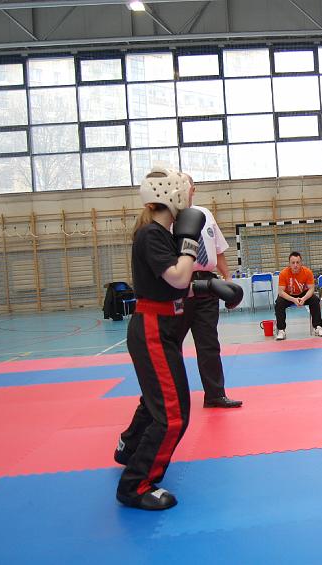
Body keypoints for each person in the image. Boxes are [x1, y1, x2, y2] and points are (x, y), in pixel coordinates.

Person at [113, 167, 243, 511]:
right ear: (172, 195)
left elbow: (177, 286)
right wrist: (188, 246)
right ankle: (135, 485)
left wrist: (211, 286)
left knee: (157, 401)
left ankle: (129, 448)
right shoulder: (151, 235)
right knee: (172, 415)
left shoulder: (159, 233)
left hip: (162, 326)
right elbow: (177, 277)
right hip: (153, 329)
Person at [177, 175, 242, 409]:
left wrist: (228, 279)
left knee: (209, 343)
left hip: (208, 284)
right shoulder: (170, 217)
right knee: (172, 343)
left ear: (193, 189)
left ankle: (215, 394)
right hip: (180, 285)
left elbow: (218, 250)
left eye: (186, 185)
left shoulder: (205, 214)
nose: (183, 188)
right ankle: (171, 396)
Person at [273, 251, 322, 340]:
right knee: (279, 302)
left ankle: (318, 327)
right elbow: (281, 292)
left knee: (315, 300)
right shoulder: (283, 273)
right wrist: (293, 299)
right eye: (293, 263)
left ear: (301, 263)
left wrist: (304, 298)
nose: (295, 265)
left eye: (297, 262)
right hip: (288, 295)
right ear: (289, 264)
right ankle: (281, 330)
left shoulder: (307, 272)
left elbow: (311, 289)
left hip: (303, 293)